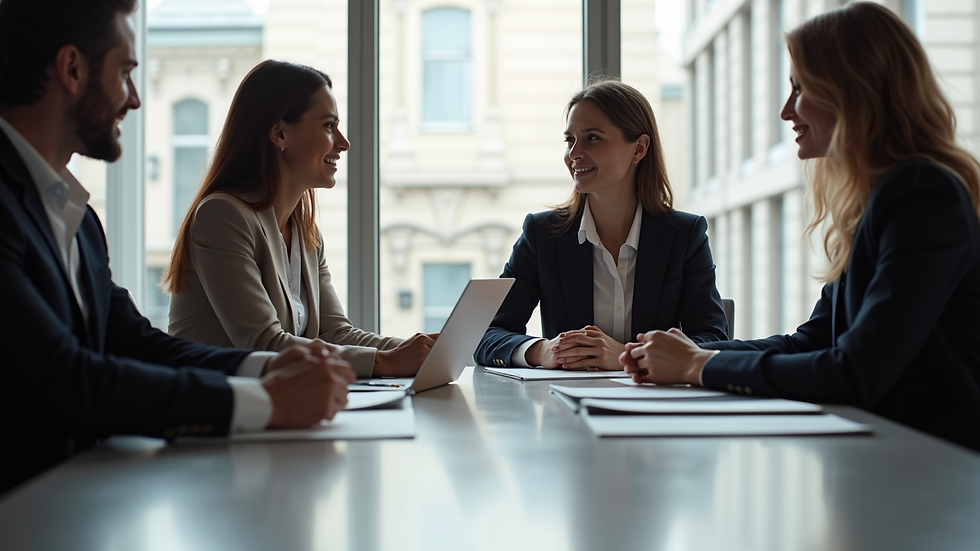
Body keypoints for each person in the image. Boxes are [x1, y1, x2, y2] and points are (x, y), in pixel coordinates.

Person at [0, 0, 355, 494]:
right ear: (72, 69)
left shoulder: (75, 218)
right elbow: (62, 379)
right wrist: (265, 403)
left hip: (72, 499)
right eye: (125, 72)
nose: (135, 99)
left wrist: (270, 367)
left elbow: (136, 344)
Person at [621, 2, 980, 452]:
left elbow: (855, 372)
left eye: (799, 89)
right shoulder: (881, 199)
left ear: (853, 91)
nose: (786, 111)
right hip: (885, 457)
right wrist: (688, 353)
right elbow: (809, 341)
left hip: (932, 467)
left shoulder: (922, 193)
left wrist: (697, 366)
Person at [165, 60, 434, 378]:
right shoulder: (222, 217)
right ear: (280, 133)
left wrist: (419, 351)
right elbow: (264, 344)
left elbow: (335, 334)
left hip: (274, 405)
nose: (343, 143)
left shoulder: (305, 233)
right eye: (329, 126)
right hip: (215, 410)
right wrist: (385, 363)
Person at [475, 79, 728, 371]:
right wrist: (543, 351)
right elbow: (486, 335)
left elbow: (713, 340)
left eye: (592, 138)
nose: (574, 154)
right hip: (566, 409)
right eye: (570, 140)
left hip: (654, 410)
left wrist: (627, 356)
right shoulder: (542, 234)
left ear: (639, 148)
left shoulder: (685, 235)